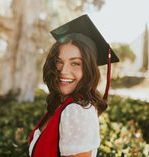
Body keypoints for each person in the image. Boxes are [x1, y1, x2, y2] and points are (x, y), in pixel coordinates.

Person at [28, 14, 119, 157]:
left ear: (89, 69)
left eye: (75, 63)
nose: (63, 71)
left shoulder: (76, 112)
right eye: (59, 62)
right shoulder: (61, 104)